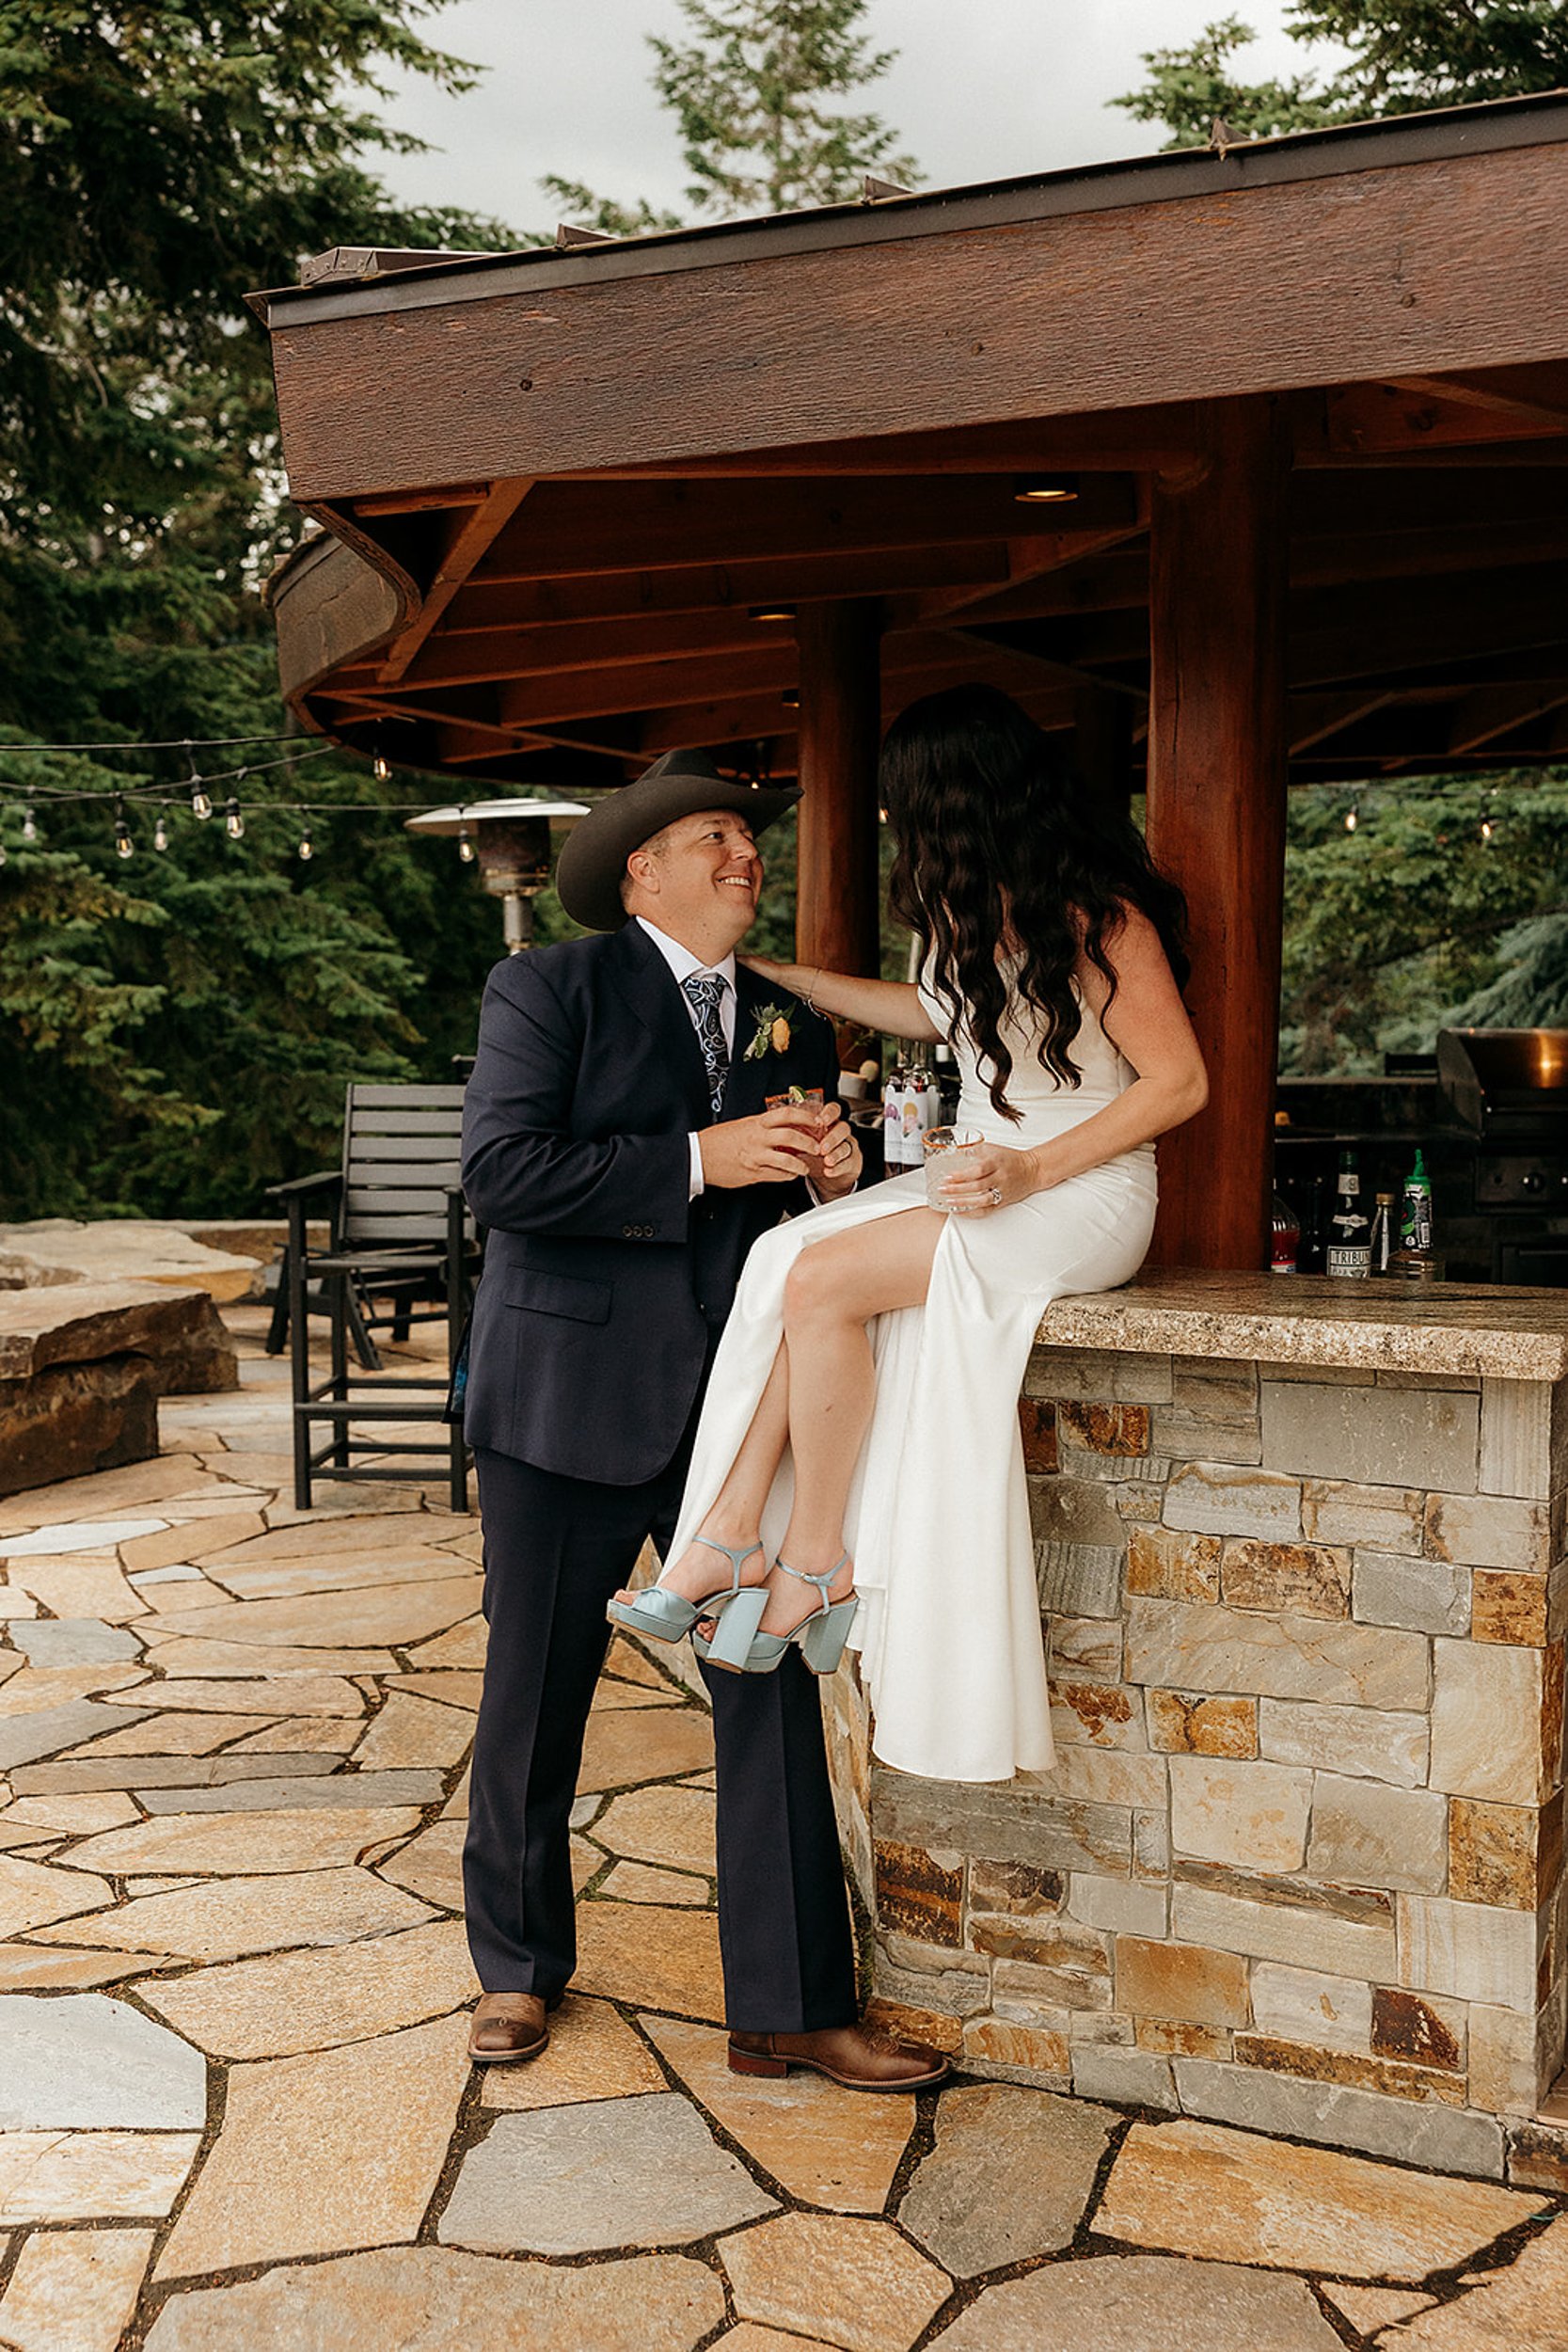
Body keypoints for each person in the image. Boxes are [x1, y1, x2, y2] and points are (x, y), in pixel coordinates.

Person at [457, 747, 950, 2090]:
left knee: (768, 1687)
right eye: (715, 837)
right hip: (562, 1400)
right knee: (532, 1697)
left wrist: (834, 1176)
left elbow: (804, 1225)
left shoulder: (790, 1019)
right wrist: (694, 1159)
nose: (745, 855)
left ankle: (790, 2008)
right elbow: (500, 1174)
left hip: (738, 1413)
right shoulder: (545, 987)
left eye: (747, 835)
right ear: (643, 871)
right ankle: (513, 1969)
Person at [622, 686, 1208, 1785]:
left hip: (1082, 1187)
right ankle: (738, 1530)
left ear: (957, 800)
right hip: (982, 1171)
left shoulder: (1101, 919)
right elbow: (928, 1011)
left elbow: (1177, 1084)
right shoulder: (961, 913)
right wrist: (779, 977)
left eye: (905, 805)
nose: (897, 826)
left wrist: (1030, 1167)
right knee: (785, 1260)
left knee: (827, 1280)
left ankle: (809, 1556)